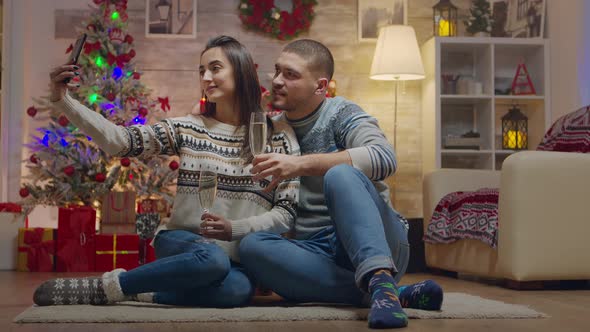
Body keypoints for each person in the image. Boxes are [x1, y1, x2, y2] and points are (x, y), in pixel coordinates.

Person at [32, 35, 300, 308]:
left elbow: (286, 212)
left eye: (215, 68)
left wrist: (236, 229)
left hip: (237, 257)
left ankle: (141, 292)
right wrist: (63, 100)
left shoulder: (278, 136)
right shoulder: (189, 127)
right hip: (185, 242)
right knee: (211, 259)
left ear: (241, 71)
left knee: (237, 291)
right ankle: (108, 287)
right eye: (201, 71)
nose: (206, 77)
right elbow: (120, 142)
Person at [240, 39, 443, 329]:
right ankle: (388, 294)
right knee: (251, 246)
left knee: (341, 174)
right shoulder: (270, 128)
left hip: (379, 242)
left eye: (291, 75)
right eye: (277, 71)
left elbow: (384, 158)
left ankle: (380, 276)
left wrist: (299, 164)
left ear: (321, 86)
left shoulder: (341, 113)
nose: (277, 81)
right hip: (317, 253)